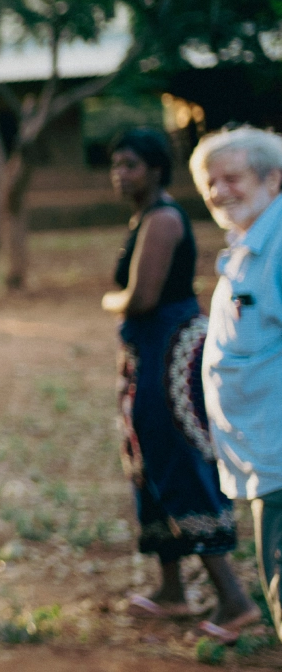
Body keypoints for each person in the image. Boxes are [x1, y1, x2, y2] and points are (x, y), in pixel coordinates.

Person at [103, 128, 256, 639]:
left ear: (156, 169)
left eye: (130, 164)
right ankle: (172, 589)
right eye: (116, 165)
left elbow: (141, 298)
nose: (120, 174)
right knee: (147, 461)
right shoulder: (147, 216)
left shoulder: (164, 219)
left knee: (174, 460)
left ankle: (233, 599)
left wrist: (111, 301)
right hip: (149, 352)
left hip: (170, 353)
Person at [188, 126, 282, 672]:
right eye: (210, 182)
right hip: (261, 462)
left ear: (272, 179)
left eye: (233, 178)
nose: (220, 192)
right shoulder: (251, 247)